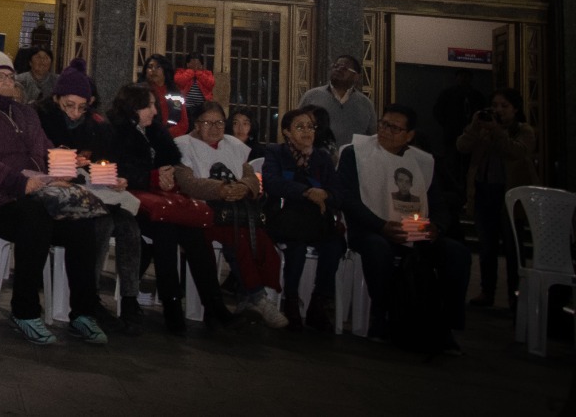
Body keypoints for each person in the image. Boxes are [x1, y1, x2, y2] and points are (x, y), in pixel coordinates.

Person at [0, 49, 117, 345]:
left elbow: (47, 150)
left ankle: (83, 312)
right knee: (34, 218)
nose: (9, 81)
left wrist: (65, 170)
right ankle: (24, 310)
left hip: (36, 194)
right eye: (0, 76)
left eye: (11, 75)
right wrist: (18, 182)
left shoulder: (24, 112)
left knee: (81, 219)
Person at [338, 104, 470, 350]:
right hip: (371, 229)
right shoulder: (355, 153)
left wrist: (436, 228)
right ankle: (382, 317)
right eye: (384, 124)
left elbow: (439, 204)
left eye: (395, 128)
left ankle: (445, 326)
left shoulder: (423, 162)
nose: (386, 131)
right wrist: (381, 226)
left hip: (414, 231)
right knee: (379, 250)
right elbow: (347, 198)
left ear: (410, 135)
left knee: (456, 253)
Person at [105, 83, 231, 333]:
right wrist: (151, 177)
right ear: (133, 108)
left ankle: (214, 306)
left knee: (194, 232)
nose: (155, 110)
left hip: (160, 201)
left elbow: (170, 161)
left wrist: (169, 174)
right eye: (149, 105)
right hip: (130, 202)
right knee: (165, 233)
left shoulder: (154, 132)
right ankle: (172, 306)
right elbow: (114, 170)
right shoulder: (115, 132)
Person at [37, 59, 143, 330]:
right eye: (68, 106)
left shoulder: (97, 125)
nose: (74, 113)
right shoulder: (40, 118)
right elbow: (36, 161)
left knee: (129, 226)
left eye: (81, 107)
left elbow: (108, 160)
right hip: (56, 195)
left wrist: (114, 178)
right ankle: (90, 298)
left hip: (95, 194)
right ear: (56, 98)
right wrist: (66, 165)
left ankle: (129, 300)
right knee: (101, 223)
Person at [174, 100, 287, 328]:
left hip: (236, 210)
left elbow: (250, 177)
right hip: (202, 212)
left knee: (261, 239)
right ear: (196, 124)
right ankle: (257, 297)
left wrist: (243, 188)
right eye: (208, 122)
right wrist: (220, 189)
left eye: (219, 122)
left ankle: (249, 296)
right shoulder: (182, 145)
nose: (215, 128)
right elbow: (188, 183)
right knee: (239, 238)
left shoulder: (234, 146)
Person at [261, 107, 344, 331]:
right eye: (300, 127)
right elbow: (272, 182)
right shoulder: (276, 153)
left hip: (316, 222)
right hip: (286, 219)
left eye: (310, 127)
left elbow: (338, 192)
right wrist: (307, 192)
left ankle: (318, 301)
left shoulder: (322, 158)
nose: (307, 131)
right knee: (296, 246)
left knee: (335, 246)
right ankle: (291, 300)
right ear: (287, 132)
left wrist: (325, 194)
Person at [456, 88, 537, 311]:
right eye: (495, 105)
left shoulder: (523, 130)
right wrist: (475, 126)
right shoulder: (482, 129)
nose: (499, 110)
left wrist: (498, 131)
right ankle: (487, 291)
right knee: (487, 245)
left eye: (504, 106)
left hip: (510, 194)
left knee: (513, 247)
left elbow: (517, 152)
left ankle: (515, 293)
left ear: (515, 109)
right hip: (484, 191)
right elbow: (462, 146)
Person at [299, 54, 377, 148]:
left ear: (356, 76)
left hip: (352, 160)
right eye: (335, 66)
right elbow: (297, 125)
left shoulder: (366, 104)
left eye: (344, 68)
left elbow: (372, 137)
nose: (338, 69)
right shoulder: (312, 96)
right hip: (316, 158)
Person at [144, 54, 187, 136]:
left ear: (165, 69)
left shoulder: (176, 93)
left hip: (171, 138)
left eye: (158, 67)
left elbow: (184, 124)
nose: (153, 70)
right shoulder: (141, 91)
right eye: (150, 67)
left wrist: (165, 135)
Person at [173, 52, 221, 118]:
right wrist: (191, 72)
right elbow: (179, 81)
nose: (195, 65)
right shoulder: (181, 72)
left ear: (201, 64)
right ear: (187, 64)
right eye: (193, 63)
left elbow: (211, 83)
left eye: (198, 63)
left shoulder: (207, 73)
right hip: (185, 106)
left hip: (202, 106)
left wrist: (198, 73)